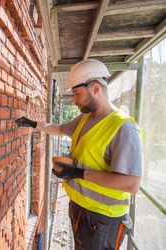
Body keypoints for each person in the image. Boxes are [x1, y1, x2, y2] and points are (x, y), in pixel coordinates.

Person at [15, 59, 143, 250]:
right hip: (79, 207)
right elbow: (58, 129)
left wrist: (78, 173)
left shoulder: (123, 127)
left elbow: (131, 184)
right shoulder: (85, 119)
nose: (74, 100)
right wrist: (35, 124)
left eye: (77, 94)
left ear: (95, 88)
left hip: (104, 218)